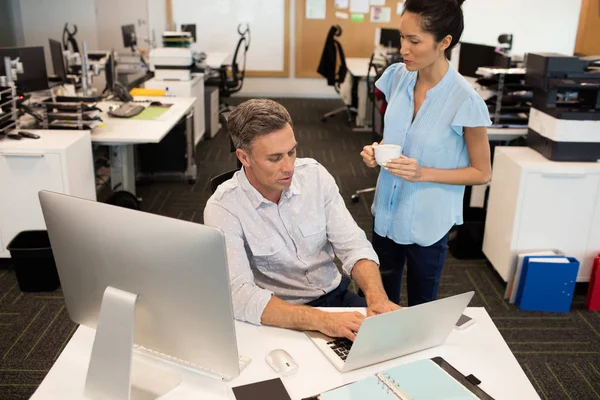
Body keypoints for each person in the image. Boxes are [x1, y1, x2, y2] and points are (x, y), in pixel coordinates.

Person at [204, 99, 399, 341]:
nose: (289, 167)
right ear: (244, 157)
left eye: (292, 152)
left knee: (393, 348)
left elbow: (352, 245)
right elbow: (240, 295)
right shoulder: (224, 207)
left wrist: (376, 297)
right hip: (280, 316)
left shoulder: (315, 176)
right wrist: (321, 320)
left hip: (336, 299)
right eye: (275, 158)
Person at [360, 0, 492, 307]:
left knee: (422, 308)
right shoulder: (396, 76)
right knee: (379, 303)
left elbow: (482, 173)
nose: (403, 48)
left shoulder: (465, 99)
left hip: (428, 223)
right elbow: (398, 135)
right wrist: (376, 150)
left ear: (444, 42)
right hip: (387, 213)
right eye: (402, 37)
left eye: (414, 41)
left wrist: (423, 173)